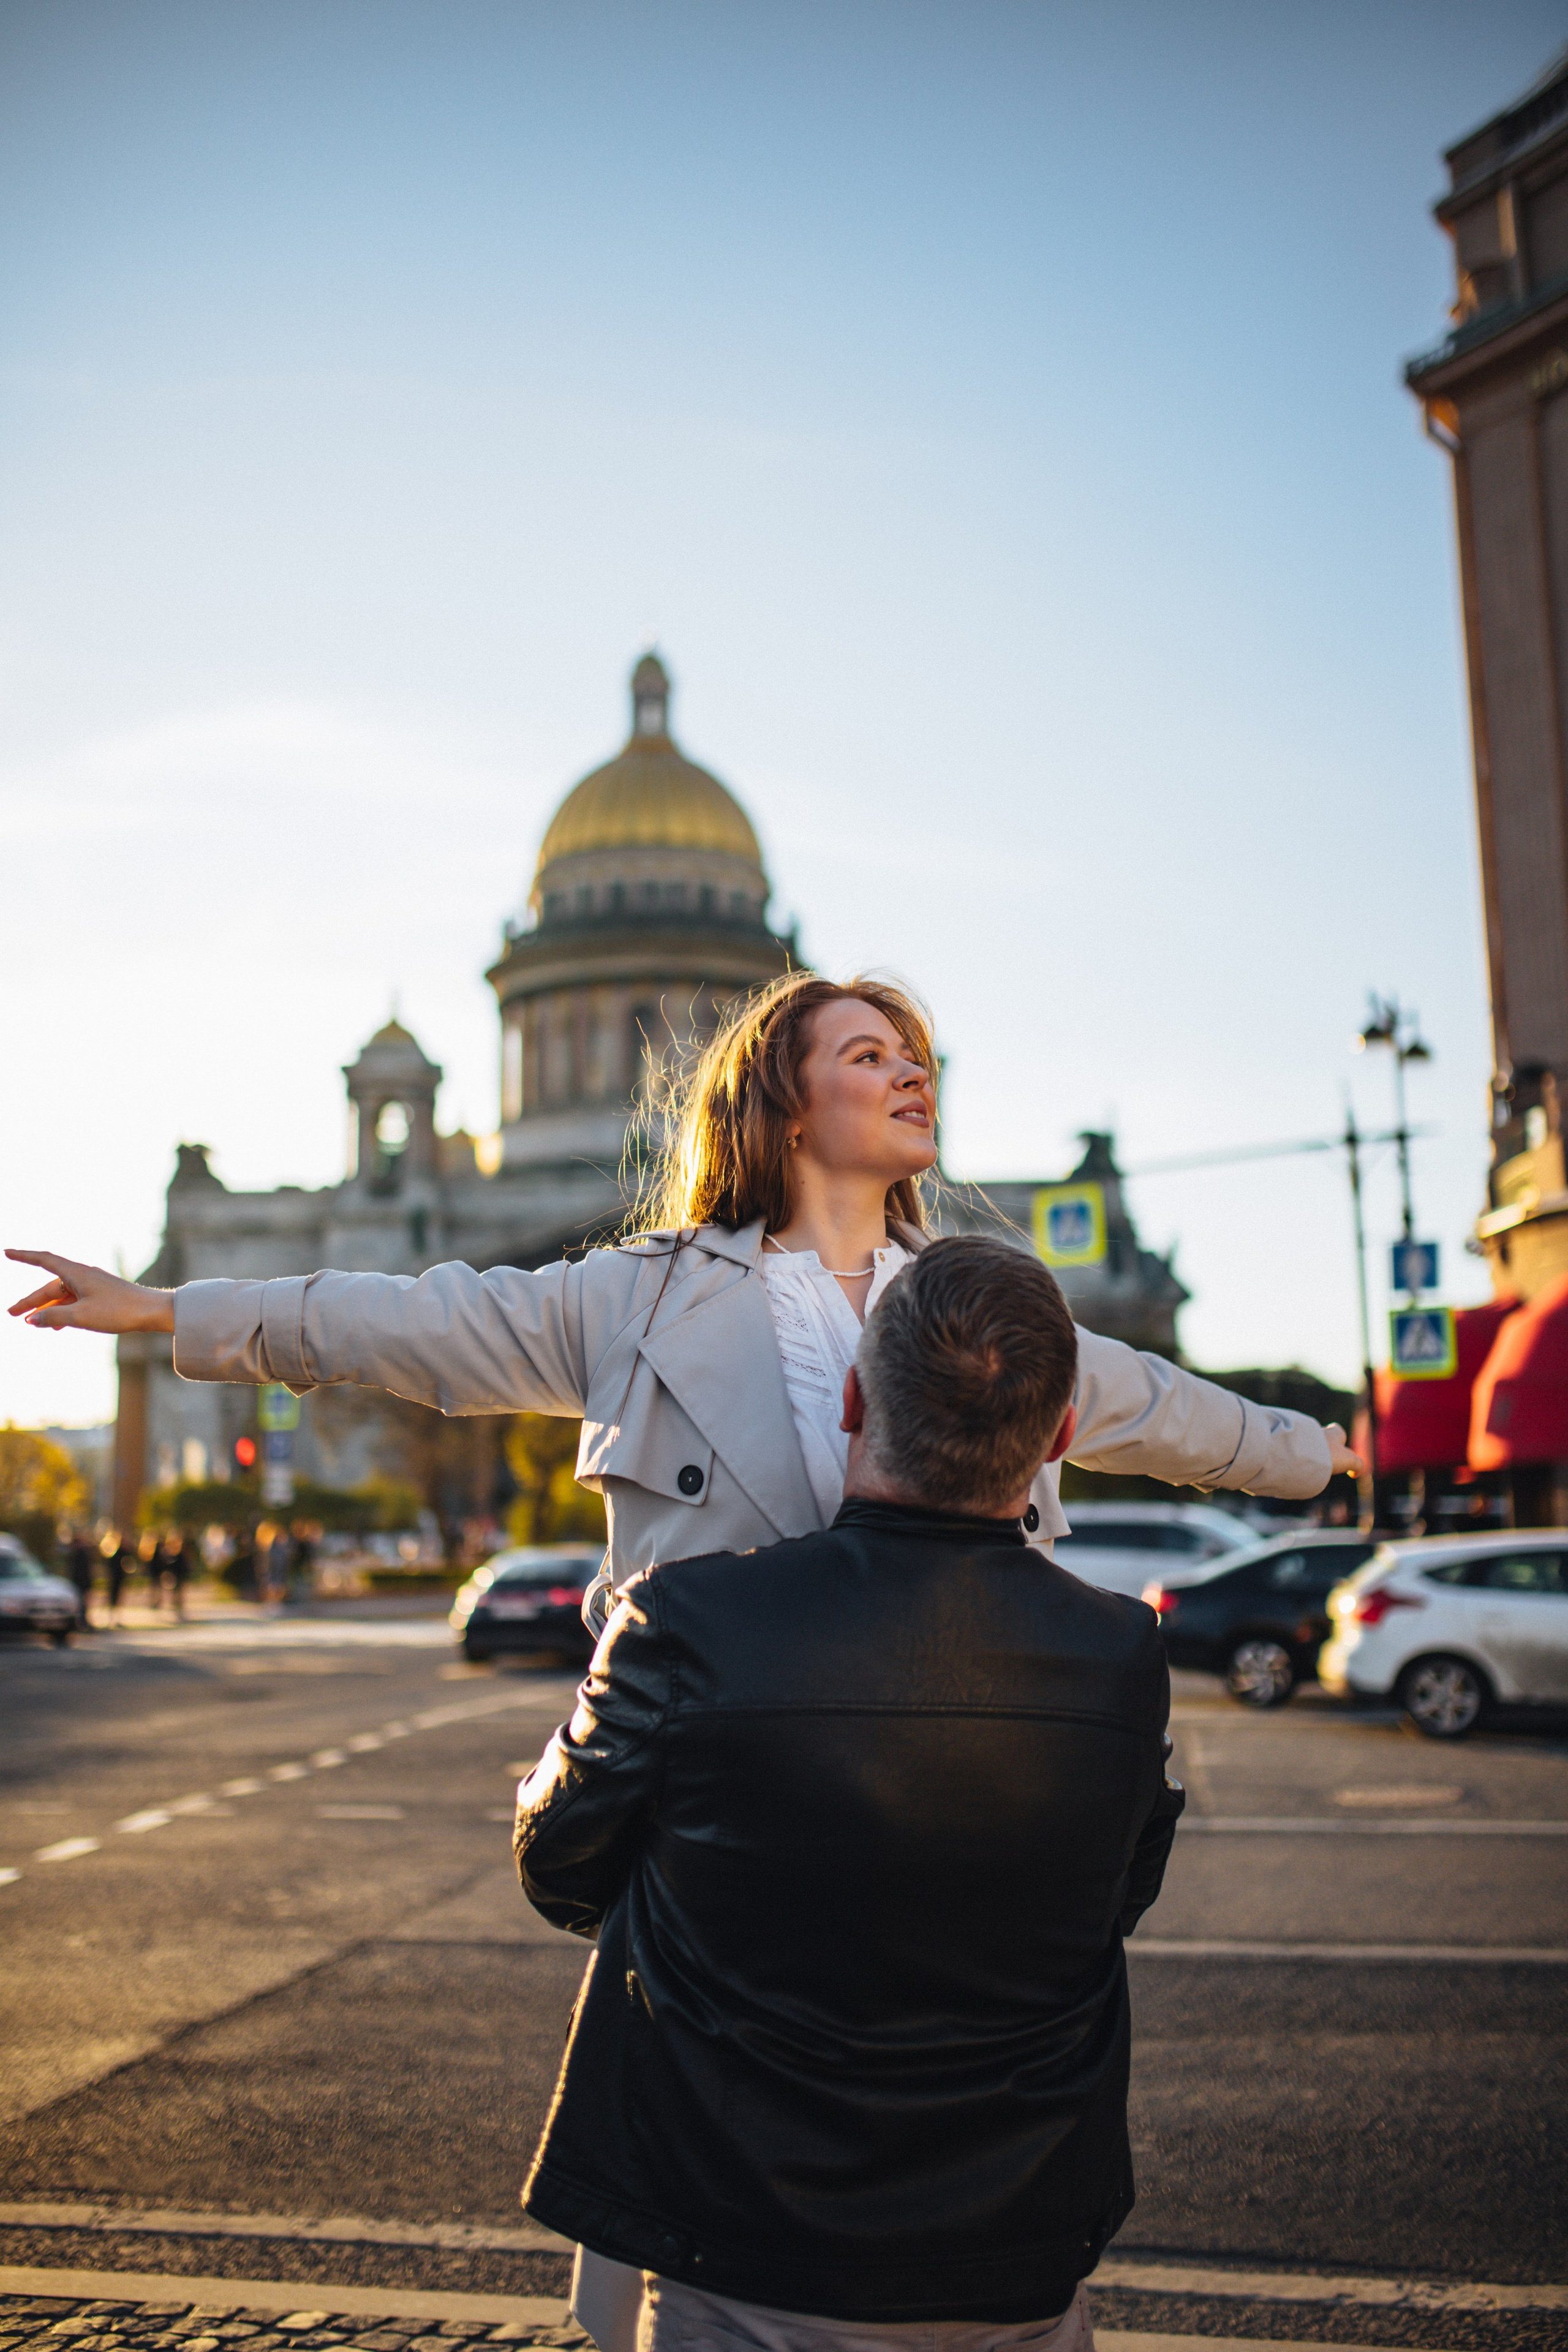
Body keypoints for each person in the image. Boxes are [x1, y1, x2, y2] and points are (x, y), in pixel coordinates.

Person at [6, 968, 1360, 2346]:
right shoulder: (636, 1303)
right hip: (737, 1890)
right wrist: (170, 1313)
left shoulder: (977, 1310)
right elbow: (405, 1323)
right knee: (720, 2262)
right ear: (779, 1105)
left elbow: (1157, 1401)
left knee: (981, 2258)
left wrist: (1313, 1453)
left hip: (955, 1855)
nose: (912, 1073)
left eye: (916, 1054)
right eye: (868, 1053)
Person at [515, 1235, 1183, 2347]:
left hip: (741, 2240)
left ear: (855, 1399)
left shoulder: (684, 1623)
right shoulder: (1122, 1654)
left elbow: (558, 1862)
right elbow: (1117, 1897)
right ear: (1061, 1436)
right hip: (1018, 2251)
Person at [64, 1527, 95, 1631]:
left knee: (82, 1604)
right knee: (81, 1604)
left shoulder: (78, 1553)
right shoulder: (80, 1553)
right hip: (81, 1583)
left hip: (80, 1583)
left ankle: (82, 1622)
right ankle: (82, 1622)